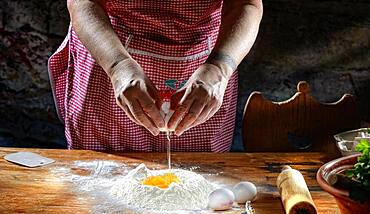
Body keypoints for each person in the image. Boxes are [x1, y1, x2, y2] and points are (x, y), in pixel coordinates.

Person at [48, 0, 263, 152]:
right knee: (100, 178)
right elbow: (83, 2)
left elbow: (246, 4)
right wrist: (118, 65)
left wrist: (219, 68)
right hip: (109, 53)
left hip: (206, 65)